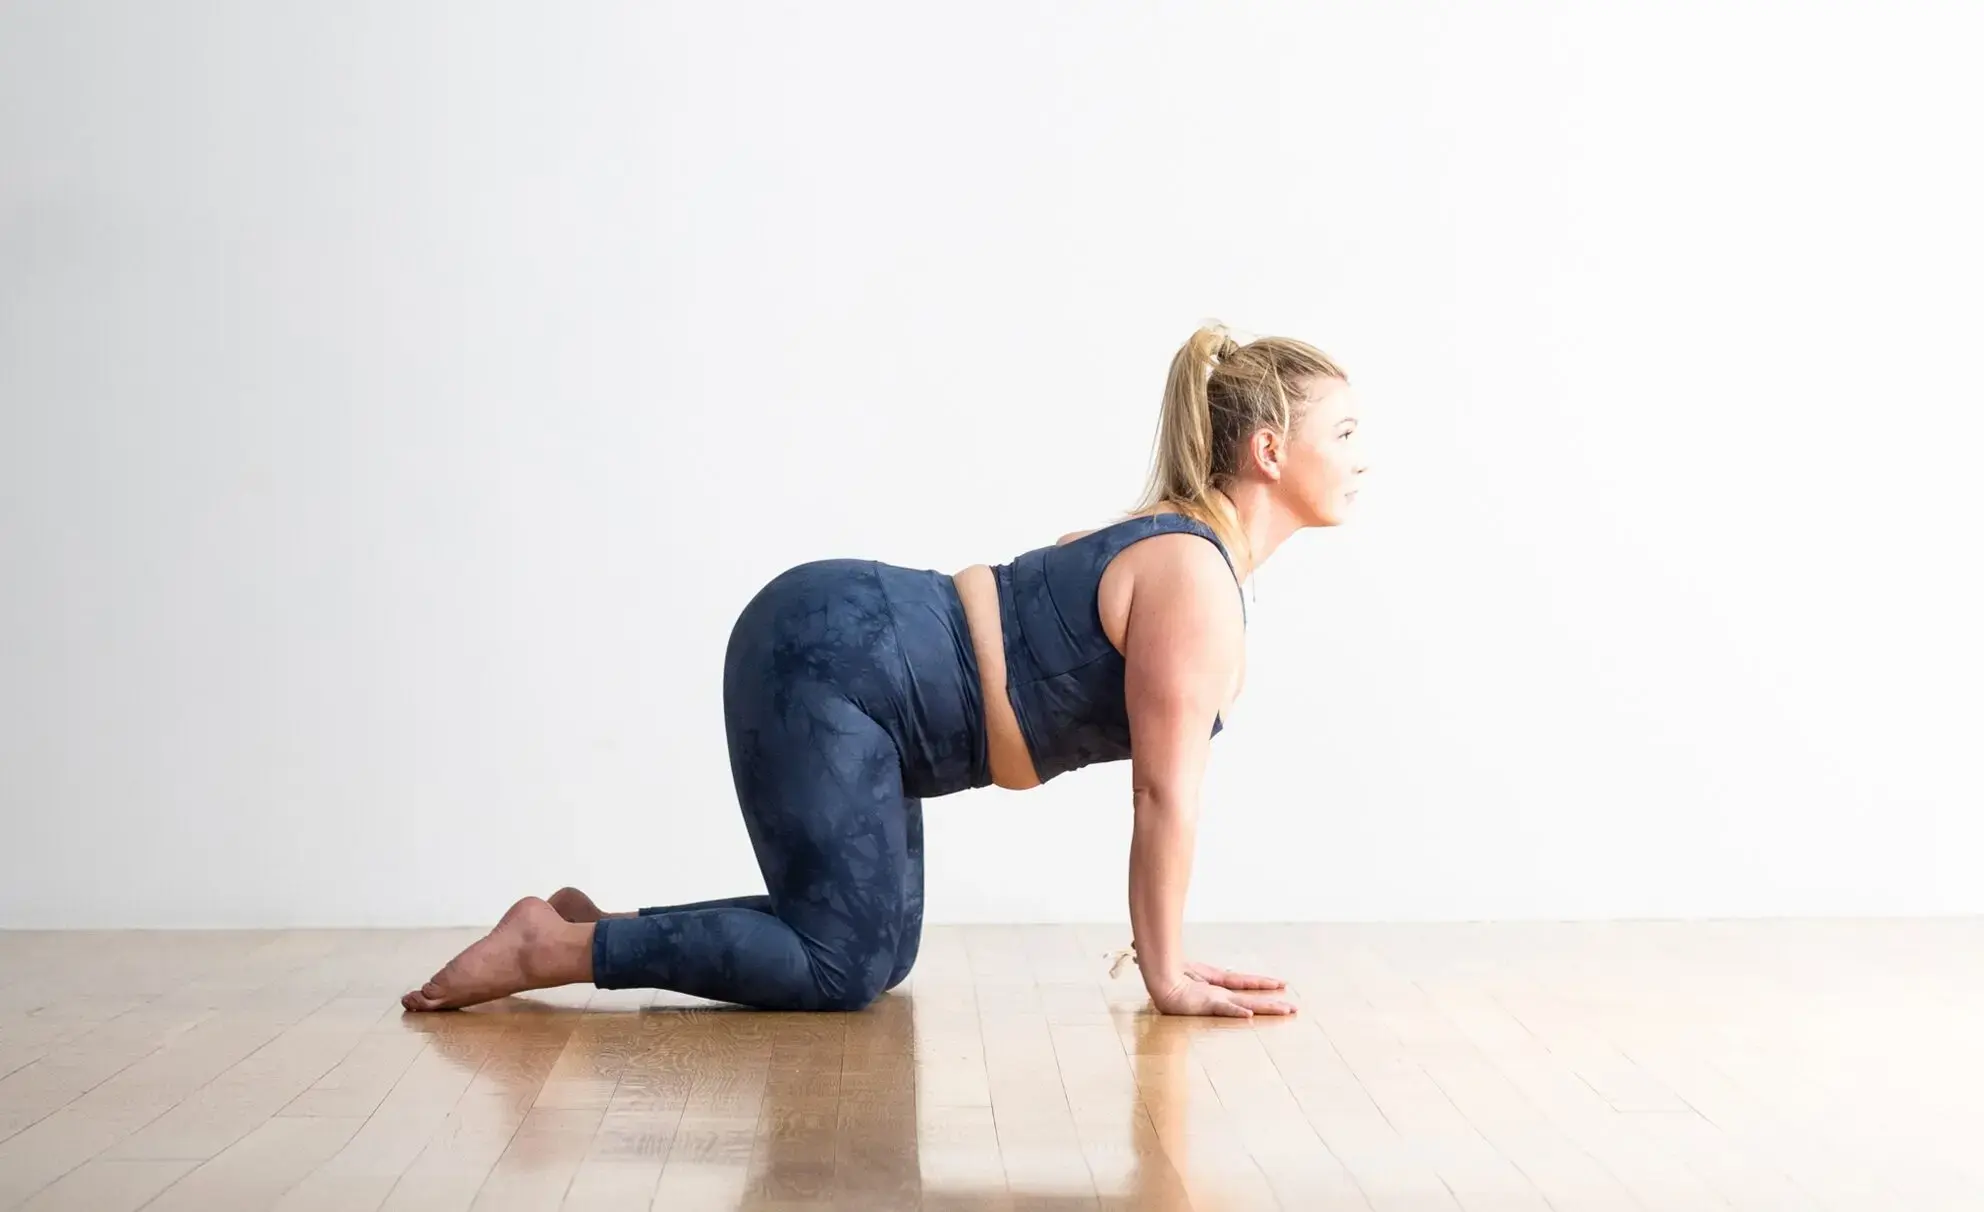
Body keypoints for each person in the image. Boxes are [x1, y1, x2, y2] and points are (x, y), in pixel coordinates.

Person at [402, 322, 1367, 1018]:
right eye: (1346, 435)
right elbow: (1164, 798)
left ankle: (585, 926)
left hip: (853, 664)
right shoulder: (1194, 576)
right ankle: (557, 948)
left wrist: (1170, 961)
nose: (1363, 460)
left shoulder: (1179, 546)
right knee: (844, 962)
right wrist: (1167, 974)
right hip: (836, 663)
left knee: (879, 952)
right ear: (1270, 450)